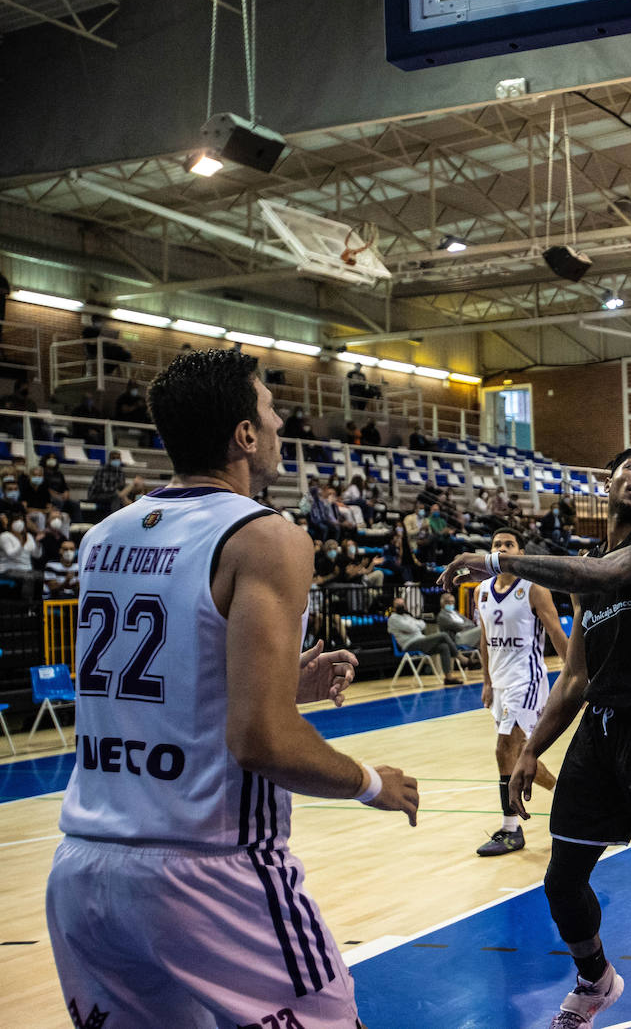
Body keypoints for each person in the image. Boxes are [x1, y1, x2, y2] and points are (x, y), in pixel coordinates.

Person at [45, 348, 418, 1027]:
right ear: (245, 436)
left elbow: (146, 692)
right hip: (210, 872)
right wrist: (372, 782)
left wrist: (281, 688)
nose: (279, 426)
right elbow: (262, 744)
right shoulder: (266, 537)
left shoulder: (102, 538)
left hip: (83, 870)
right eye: (270, 412)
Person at [438, 443, 631, 1029]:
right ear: (608, 482)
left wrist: (502, 564)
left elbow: (605, 572)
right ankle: (595, 981)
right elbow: (574, 677)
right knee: (561, 882)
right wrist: (531, 750)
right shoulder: (588, 566)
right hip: (601, 727)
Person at [472, 527, 570, 856]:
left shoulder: (533, 588)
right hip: (499, 684)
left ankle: (510, 829)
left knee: (505, 749)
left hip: (527, 681)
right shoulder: (482, 591)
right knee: (518, 755)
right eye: (497, 544)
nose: (502, 548)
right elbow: (484, 640)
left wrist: (576, 672)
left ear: (520, 553)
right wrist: (486, 681)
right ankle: (571, 797)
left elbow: (556, 629)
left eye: (509, 544)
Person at [386, 596, 467, 685]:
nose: (401, 605)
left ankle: (448, 677)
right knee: (443, 635)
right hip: (410, 644)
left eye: (402, 603)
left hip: (421, 641)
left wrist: (414, 625)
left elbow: (422, 624)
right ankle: (460, 657)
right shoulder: (393, 619)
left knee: (444, 647)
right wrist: (414, 625)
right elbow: (411, 628)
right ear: (393, 607)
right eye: (398, 604)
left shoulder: (407, 616)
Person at [0, 511, 41, 598]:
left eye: (21, 520)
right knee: (28, 577)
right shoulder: (5, 536)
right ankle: (26, 606)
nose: (19, 523)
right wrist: (21, 544)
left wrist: (38, 544)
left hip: (27, 569)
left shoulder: (28, 536)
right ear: (11, 523)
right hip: (9, 569)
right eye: (16, 520)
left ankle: (37, 605)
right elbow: (11, 554)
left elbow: (36, 555)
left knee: (40, 576)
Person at [85, 453, 127, 520]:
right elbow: (103, 488)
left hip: (112, 495)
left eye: (118, 458)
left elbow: (122, 487)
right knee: (116, 497)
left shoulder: (120, 471)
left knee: (124, 499)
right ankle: (114, 519)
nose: (116, 460)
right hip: (97, 495)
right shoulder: (102, 470)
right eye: (114, 458)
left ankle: (123, 520)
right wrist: (117, 492)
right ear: (109, 460)